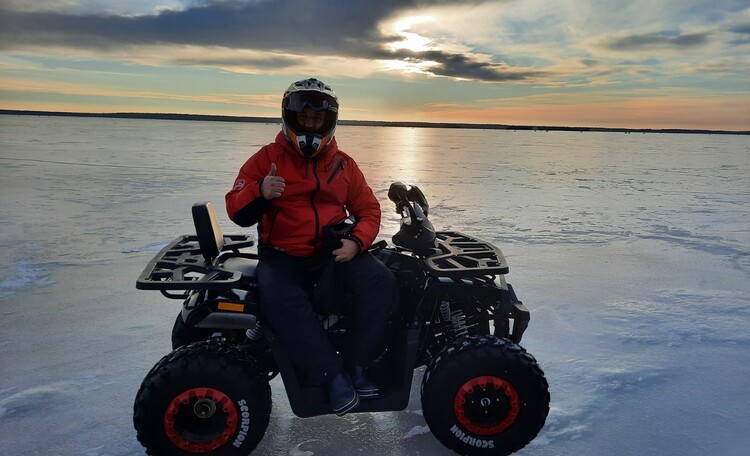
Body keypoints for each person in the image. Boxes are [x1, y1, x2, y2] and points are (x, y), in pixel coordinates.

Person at [225, 78, 398, 416]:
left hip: (332, 251)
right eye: (304, 118)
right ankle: (331, 377)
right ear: (290, 118)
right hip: (282, 255)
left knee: (382, 282)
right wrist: (260, 191)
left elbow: (369, 210)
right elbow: (235, 207)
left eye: (317, 120)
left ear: (328, 121)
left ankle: (359, 365)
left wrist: (356, 242)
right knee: (280, 298)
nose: (310, 124)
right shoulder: (267, 159)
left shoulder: (343, 164)